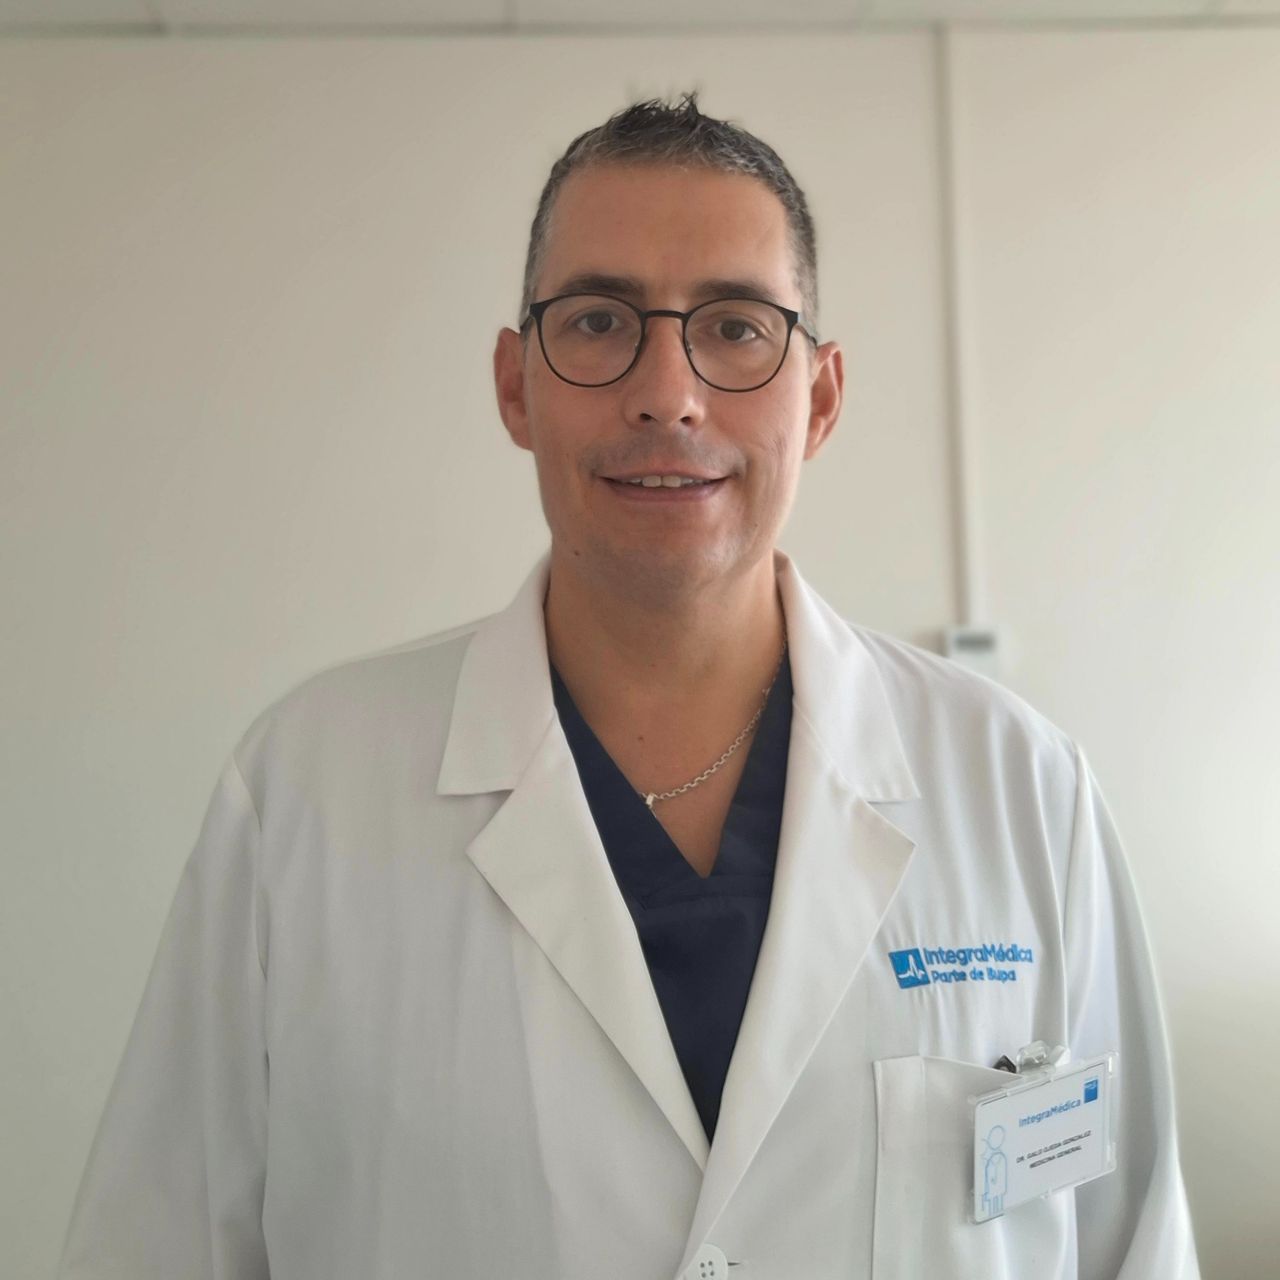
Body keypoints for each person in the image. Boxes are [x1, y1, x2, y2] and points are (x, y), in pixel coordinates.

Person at [57, 93, 1199, 1280]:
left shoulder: (1019, 787)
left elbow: (1132, 1245)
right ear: (515, 386)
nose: (667, 393)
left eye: (736, 326)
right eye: (598, 322)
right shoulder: (304, 792)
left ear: (818, 399)